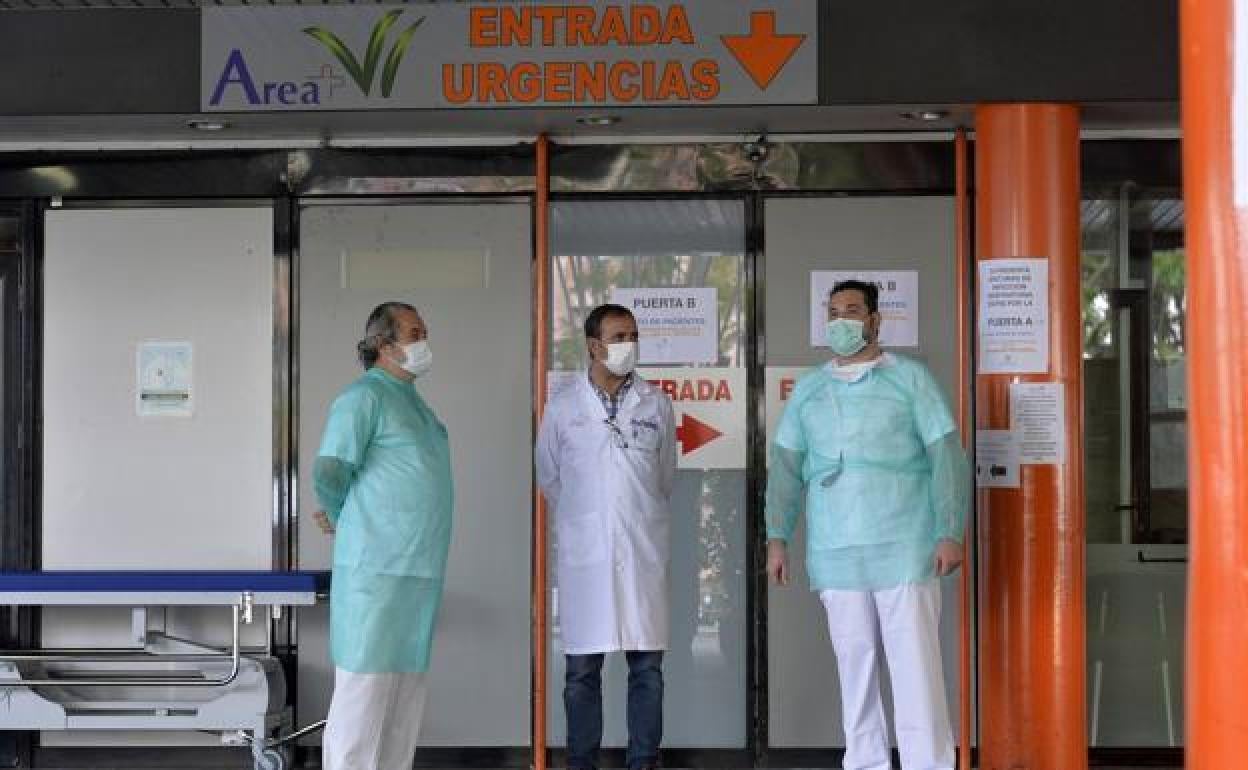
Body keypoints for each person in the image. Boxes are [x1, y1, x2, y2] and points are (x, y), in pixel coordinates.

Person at [765, 280, 969, 770]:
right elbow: (786, 468)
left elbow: (946, 456)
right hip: (837, 552)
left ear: (875, 320)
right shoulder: (810, 390)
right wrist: (778, 537)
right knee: (854, 669)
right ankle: (866, 763)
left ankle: (929, 764)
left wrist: (950, 530)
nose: (841, 320)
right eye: (833, 311)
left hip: (905, 546)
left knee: (915, 669)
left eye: (852, 310)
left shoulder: (910, 380)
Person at [535, 303, 677, 770]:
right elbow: (550, 477)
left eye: (633, 335)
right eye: (618, 337)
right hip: (587, 556)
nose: (627, 346)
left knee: (647, 671)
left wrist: (632, 516)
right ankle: (581, 763)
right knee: (581, 672)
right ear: (593, 346)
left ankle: (643, 762)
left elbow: (664, 477)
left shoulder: (656, 403)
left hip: (641, 552)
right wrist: (590, 518)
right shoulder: (563, 407)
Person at [312, 301, 453, 770]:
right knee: (365, 696)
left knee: (402, 700)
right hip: (376, 570)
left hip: (417, 570)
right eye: (414, 332)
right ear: (383, 344)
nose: (423, 341)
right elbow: (331, 468)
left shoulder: (414, 403)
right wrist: (344, 515)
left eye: (424, 331)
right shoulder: (364, 398)